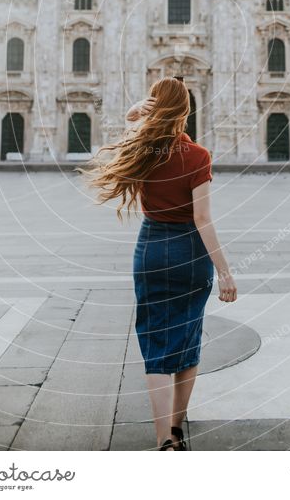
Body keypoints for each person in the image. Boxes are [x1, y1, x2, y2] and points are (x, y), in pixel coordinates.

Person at [80, 76, 237, 451]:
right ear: (186, 111)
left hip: (150, 249)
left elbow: (126, 143)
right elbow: (203, 219)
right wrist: (225, 271)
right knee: (187, 341)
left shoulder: (142, 152)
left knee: (155, 345)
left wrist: (133, 116)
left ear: (155, 108)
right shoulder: (198, 156)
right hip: (191, 254)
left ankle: (163, 440)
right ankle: (178, 430)